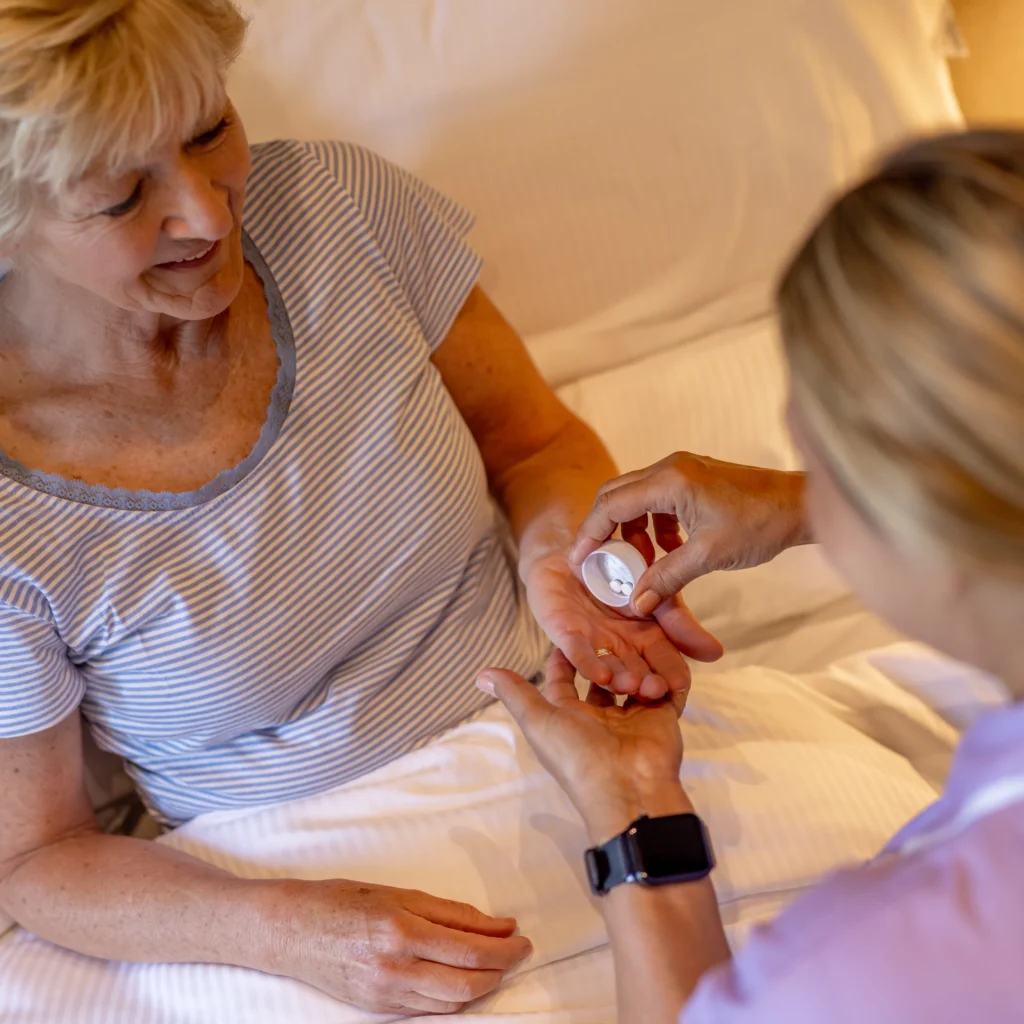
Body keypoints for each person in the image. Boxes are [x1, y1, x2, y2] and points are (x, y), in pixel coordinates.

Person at [0, 0, 723, 1015]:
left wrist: (564, 568)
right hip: (296, 872)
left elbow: (535, 442)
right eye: (122, 195)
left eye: (211, 130)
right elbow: (36, 858)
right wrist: (281, 926)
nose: (208, 214)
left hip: (591, 750)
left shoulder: (339, 207)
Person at [480, 129, 1024, 1023]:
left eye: (815, 451)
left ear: (907, 506)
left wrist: (631, 805)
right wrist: (805, 501)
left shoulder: (870, 963)